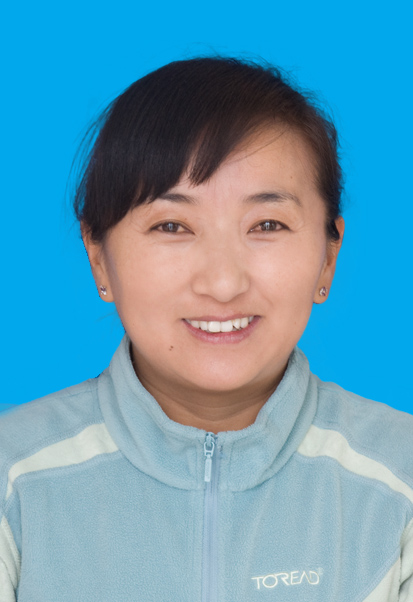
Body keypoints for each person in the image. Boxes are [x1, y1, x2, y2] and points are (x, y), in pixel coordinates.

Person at [0, 57, 412, 602]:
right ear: (98, 257)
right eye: (172, 225)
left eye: (267, 224)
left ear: (328, 257)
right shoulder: (13, 481)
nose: (222, 283)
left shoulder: (401, 482)